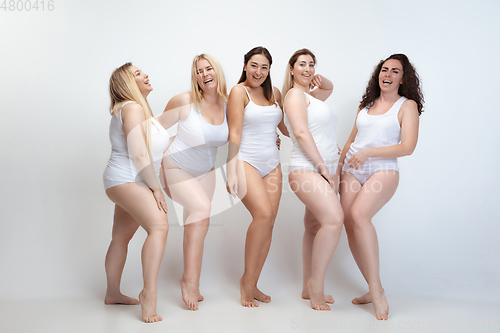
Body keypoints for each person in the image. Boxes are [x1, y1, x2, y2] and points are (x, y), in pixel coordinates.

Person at [338, 54, 424, 320]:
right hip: (352, 168)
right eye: (384, 69)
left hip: (383, 169)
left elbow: (407, 147)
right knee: (348, 223)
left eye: (394, 71)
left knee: (360, 216)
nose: (387, 74)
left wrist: (370, 153)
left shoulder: (406, 105)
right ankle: (372, 285)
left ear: (403, 78)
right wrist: (335, 171)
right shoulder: (367, 105)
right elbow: (351, 139)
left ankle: (376, 291)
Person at [159, 54, 228, 311]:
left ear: (217, 71)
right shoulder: (185, 101)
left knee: (198, 223)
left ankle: (193, 281)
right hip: (175, 165)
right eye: (198, 71)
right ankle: (188, 281)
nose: (204, 74)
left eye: (208, 68)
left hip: (205, 171)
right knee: (202, 209)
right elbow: (153, 129)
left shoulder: (229, 103)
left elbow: (244, 132)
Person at [103, 63, 170, 323]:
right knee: (160, 227)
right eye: (138, 74)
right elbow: (139, 153)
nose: (146, 75)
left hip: (124, 180)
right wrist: (156, 189)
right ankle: (149, 295)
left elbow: (151, 149)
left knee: (120, 237)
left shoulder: (136, 110)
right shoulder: (132, 107)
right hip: (127, 179)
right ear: (128, 84)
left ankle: (112, 294)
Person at [226, 46, 289, 307]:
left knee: (269, 222)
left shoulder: (274, 93)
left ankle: (252, 283)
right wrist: (230, 169)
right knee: (262, 215)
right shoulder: (238, 92)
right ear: (244, 66)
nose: (259, 72)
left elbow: (285, 128)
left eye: (264, 67)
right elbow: (235, 134)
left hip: (272, 164)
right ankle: (246, 284)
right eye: (254, 65)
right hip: (246, 161)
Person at [282, 49, 343, 311]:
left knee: (314, 226)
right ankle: (317, 286)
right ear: (291, 69)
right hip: (307, 169)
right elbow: (301, 132)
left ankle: (308, 286)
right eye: (302, 64)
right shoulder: (295, 95)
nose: (307, 69)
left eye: (311, 64)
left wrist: (317, 76)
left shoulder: (310, 96)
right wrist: (323, 169)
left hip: (322, 168)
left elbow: (329, 87)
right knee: (334, 219)